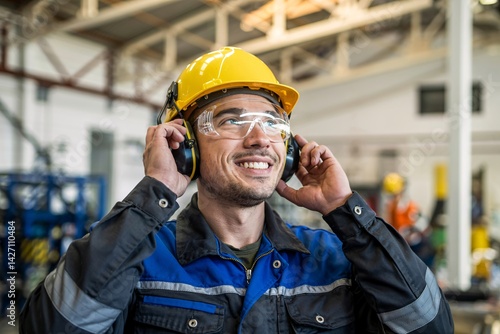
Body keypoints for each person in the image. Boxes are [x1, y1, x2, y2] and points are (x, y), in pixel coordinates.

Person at [20, 46, 454, 333]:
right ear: (183, 144)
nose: (260, 138)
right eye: (230, 121)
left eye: (271, 122)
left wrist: (344, 209)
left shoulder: (335, 260)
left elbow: (429, 326)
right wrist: (152, 195)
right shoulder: (138, 261)